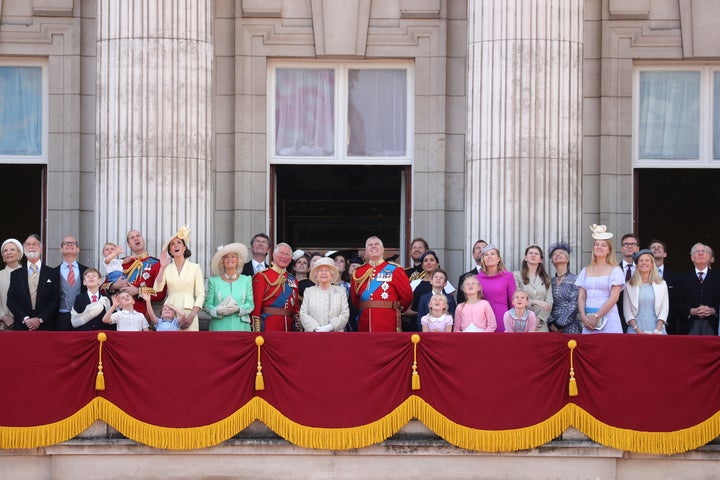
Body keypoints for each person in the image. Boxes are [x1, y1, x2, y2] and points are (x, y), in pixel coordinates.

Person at [350, 236, 413, 332]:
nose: (373, 246)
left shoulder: (395, 270)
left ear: (383, 249)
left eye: (377, 244)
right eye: (370, 245)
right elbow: (355, 299)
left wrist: (396, 309)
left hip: (388, 320)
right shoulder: (358, 272)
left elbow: (407, 296)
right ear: (366, 251)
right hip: (364, 321)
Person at [102, 229, 166, 320]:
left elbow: (160, 294)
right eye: (132, 238)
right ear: (129, 245)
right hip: (118, 314)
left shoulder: (157, 264)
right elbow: (102, 288)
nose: (136, 239)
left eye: (138, 236)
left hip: (141, 314)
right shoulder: (120, 263)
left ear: (143, 240)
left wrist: (138, 291)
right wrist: (114, 286)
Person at [153, 226, 205, 331]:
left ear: (184, 247)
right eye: (172, 244)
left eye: (179, 243)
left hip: (189, 311)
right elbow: (157, 288)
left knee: (190, 344)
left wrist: (192, 316)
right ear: (170, 251)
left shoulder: (195, 267)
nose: (176, 245)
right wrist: (162, 268)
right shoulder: (167, 268)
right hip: (170, 312)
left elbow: (200, 295)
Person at [575, 225, 625, 334]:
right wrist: (583, 316)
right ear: (593, 249)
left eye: (603, 245)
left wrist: (597, 316)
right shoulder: (585, 270)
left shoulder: (615, 270)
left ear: (609, 250)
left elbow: (614, 297)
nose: (599, 247)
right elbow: (582, 296)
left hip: (608, 318)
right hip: (588, 321)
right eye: (597, 244)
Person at [7, 234, 60, 331]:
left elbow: (55, 299)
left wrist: (40, 319)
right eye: (28, 244)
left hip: (46, 326)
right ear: (24, 250)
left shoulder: (53, 273)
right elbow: (11, 300)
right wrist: (26, 319)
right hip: (22, 327)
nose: (31, 246)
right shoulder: (16, 275)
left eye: (34, 244)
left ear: (41, 249)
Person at [205, 243, 254, 331]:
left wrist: (238, 308)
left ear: (238, 260)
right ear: (222, 262)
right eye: (226, 257)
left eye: (233, 256)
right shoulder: (214, 281)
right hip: (219, 327)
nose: (230, 259)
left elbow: (250, 305)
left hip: (241, 327)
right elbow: (207, 306)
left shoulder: (246, 280)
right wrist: (217, 310)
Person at [251, 242, 300, 331]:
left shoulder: (293, 279)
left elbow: (295, 307)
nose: (284, 257)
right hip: (269, 325)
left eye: (287, 254)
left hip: (289, 327)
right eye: (281, 253)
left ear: (290, 259)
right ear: (274, 255)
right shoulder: (262, 276)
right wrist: (256, 328)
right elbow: (256, 305)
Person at [673, 243, 720, 335]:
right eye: (697, 252)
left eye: (703, 251)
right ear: (692, 258)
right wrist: (690, 311)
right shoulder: (682, 278)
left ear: (709, 257)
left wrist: (713, 310)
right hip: (689, 325)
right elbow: (676, 302)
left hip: (712, 323)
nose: (700, 253)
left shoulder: (718, 277)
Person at [623, 249, 668, 334]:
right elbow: (627, 311)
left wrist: (657, 330)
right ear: (636, 265)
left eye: (647, 260)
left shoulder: (662, 284)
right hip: (635, 329)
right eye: (641, 261)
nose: (644, 263)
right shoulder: (629, 285)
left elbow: (664, 309)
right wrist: (637, 330)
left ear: (652, 264)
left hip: (657, 329)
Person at [299, 257, 349, 332]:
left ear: (332, 274)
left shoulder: (341, 291)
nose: (323, 273)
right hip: (313, 335)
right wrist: (315, 328)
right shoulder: (309, 291)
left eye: (327, 271)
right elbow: (303, 314)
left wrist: (331, 326)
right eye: (320, 271)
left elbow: (345, 314)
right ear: (316, 274)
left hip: (335, 336)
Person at [513, 244, 553, 331]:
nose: (533, 255)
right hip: (522, 321)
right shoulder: (516, 276)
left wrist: (539, 319)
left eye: (536, 254)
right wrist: (534, 302)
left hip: (541, 325)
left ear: (540, 260)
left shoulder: (546, 279)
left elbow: (549, 302)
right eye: (530, 253)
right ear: (525, 258)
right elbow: (515, 298)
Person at [476, 244, 515, 333]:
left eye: (492, 254)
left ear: (498, 259)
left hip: (502, 317)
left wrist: (514, 321)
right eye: (486, 255)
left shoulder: (508, 276)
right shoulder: (477, 278)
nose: (489, 256)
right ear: (483, 260)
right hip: (482, 318)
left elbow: (513, 301)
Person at [546, 242, 580, 334]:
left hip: (570, 324)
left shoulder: (575, 279)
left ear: (567, 259)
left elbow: (575, 303)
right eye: (554, 254)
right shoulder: (549, 281)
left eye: (560, 253)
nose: (557, 255)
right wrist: (551, 322)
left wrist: (559, 324)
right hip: (551, 325)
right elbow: (546, 302)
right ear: (552, 261)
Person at [55, 236, 88, 331]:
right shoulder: (53, 272)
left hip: (82, 316)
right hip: (60, 317)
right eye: (66, 243)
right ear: (61, 249)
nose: (69, 244)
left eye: (73, 243)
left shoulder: (86, 271)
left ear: (78, 249)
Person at [649, 239, 680, 334]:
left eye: (659, 247)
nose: (656, 248)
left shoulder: (675, 276)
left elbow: (676, 300)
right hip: (648, 319)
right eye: (653, 248)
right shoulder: (642, 275)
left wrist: (667, 319)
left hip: (669, 322)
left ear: (665, 254)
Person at [617, 233, 640, 332]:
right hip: (618, 315)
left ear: (638, 248)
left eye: (633, 244)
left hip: (638, 315)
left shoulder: (643, 270)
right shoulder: (615, 269)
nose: (629, 246)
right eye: (626, 244)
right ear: (621, 248)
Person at [0, 238, 23, 331]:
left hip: (26, 325)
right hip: (4, 326)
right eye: (5, 250)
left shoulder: (29, 274)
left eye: (12, 249)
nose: (8, 252)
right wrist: (4, 317)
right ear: (3, 257)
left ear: (19, 254)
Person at [456, 239, 487, 304]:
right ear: (473, 255)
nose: (481, 250)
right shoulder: (463, 278)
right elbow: (461, 302)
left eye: (484, 248)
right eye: (478, 248)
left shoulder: (499, 275)